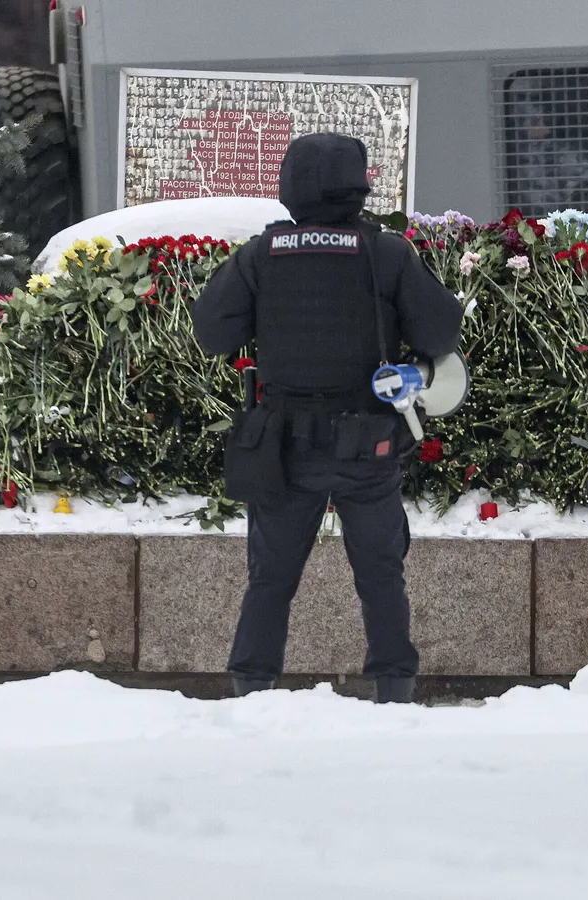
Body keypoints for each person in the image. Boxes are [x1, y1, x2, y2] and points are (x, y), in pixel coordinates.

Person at [192, 133, 463, 703]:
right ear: (359, 188)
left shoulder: (261, 255)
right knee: (381, 574)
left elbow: (213, 335)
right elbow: (440, 333)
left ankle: (252, 687)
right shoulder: (385, 253)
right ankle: (394, 689)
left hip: (284, 445)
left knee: (270, 577)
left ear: (290, 187)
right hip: (370, 442)